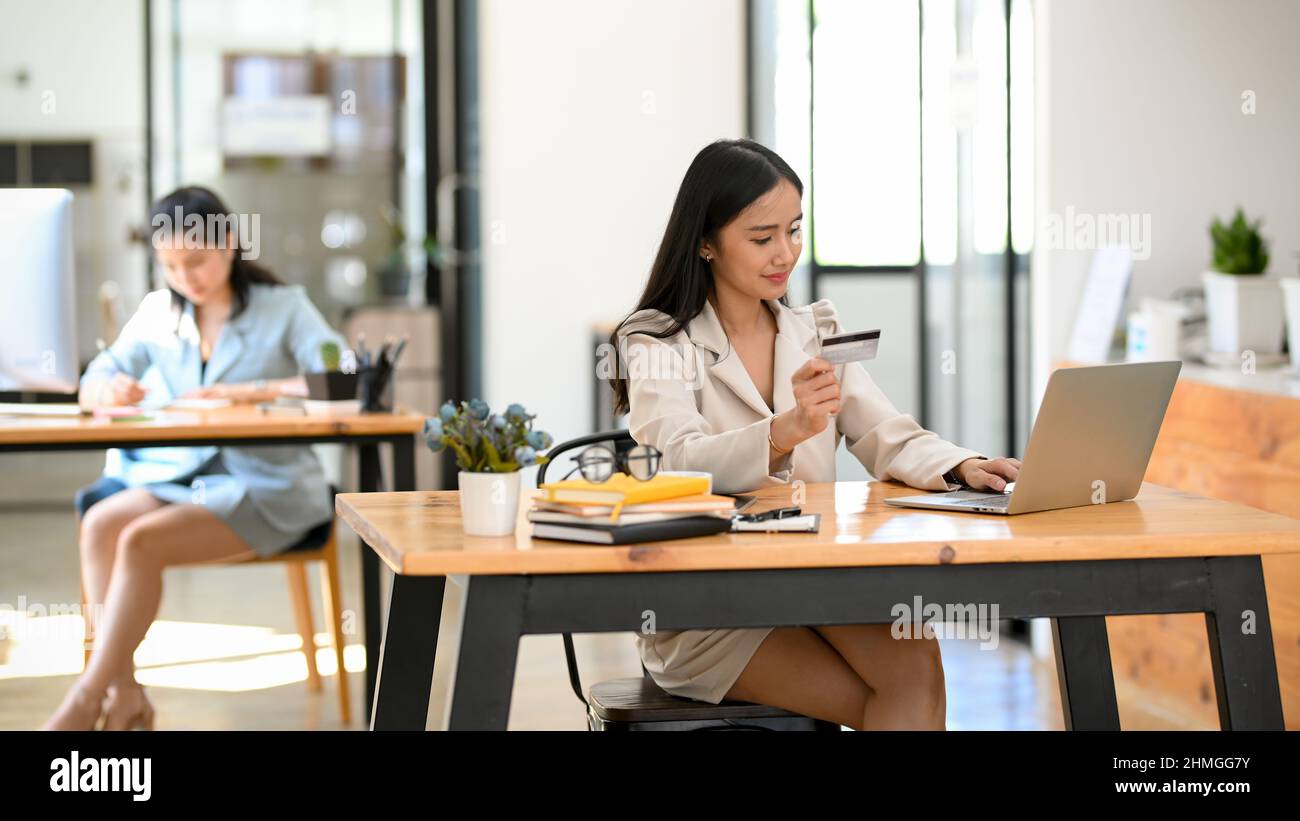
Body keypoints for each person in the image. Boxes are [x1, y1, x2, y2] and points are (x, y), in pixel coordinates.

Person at [611, 139, 1021, 730]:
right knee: (893, 697)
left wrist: (961, 467)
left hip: (811, 580)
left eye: (794, 230)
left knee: (917, 668)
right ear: (705, 242)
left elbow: (885, 433)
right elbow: (676, 463)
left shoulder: (815, 330)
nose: (786, 253)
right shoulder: (656, 342)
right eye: (762, 237)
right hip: (710, 607)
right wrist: (783, 432)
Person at [42, 186, 345, 730]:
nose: (186, 278)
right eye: (171, 266)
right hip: (180, 475)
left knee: (139, 540)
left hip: (266, 486)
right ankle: (127, 691)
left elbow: (345, 376)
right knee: (100, 523)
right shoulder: (159, 313)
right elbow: (94, 377)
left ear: (229, 244)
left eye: (197, 261)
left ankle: (88, 699)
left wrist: (252, 392)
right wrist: (107, 390)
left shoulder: (285, 307)